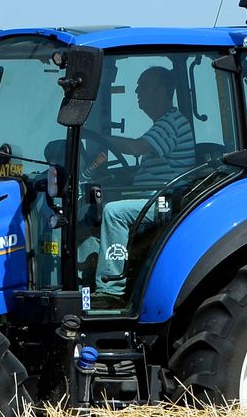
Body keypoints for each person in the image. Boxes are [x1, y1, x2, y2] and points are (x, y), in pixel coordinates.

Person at [80, 67, 195, 297]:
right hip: (152, 196)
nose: (136, 91)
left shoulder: (172, 123)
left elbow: (136, 147)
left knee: (113, 212)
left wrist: (94, 136)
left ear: (162, 91)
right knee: (93, 203)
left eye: (143, 85)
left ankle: (110, 289)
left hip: (164, 202)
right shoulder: (164, 123)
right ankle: (86, 271)